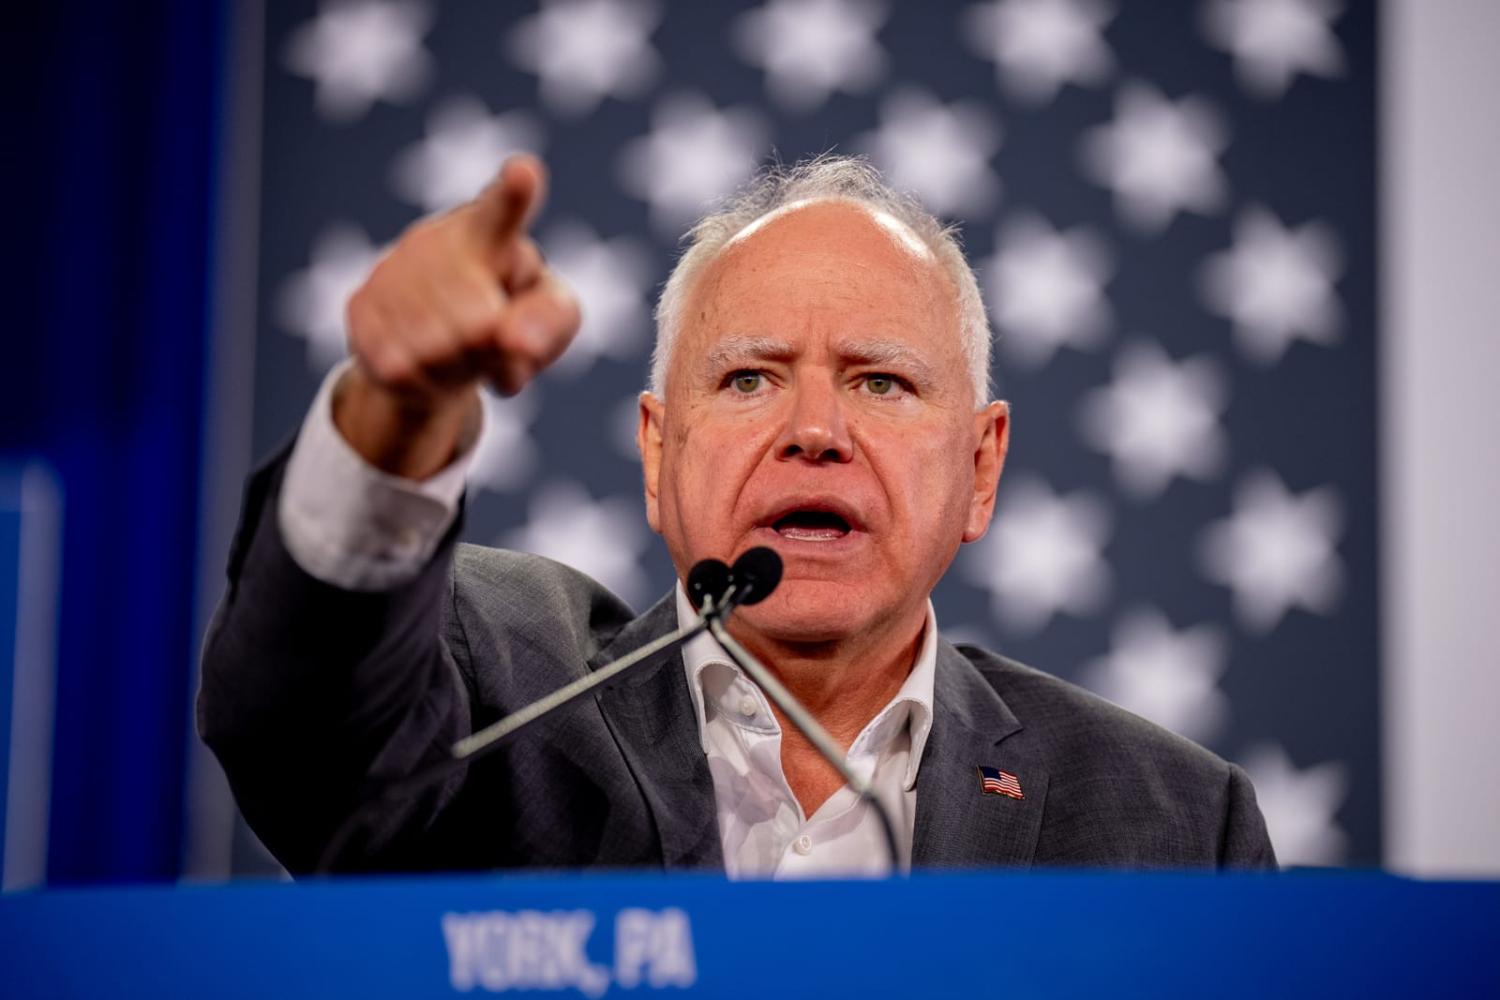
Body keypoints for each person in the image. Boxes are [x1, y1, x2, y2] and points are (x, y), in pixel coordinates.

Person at [198, 153, 1276, 877]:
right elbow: (306, 732)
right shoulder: (500, 692)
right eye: (751, 378)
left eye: (881, 383)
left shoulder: (1174, 825)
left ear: (981, 467)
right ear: (659, 454)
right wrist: (395, 414)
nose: (815, 430)